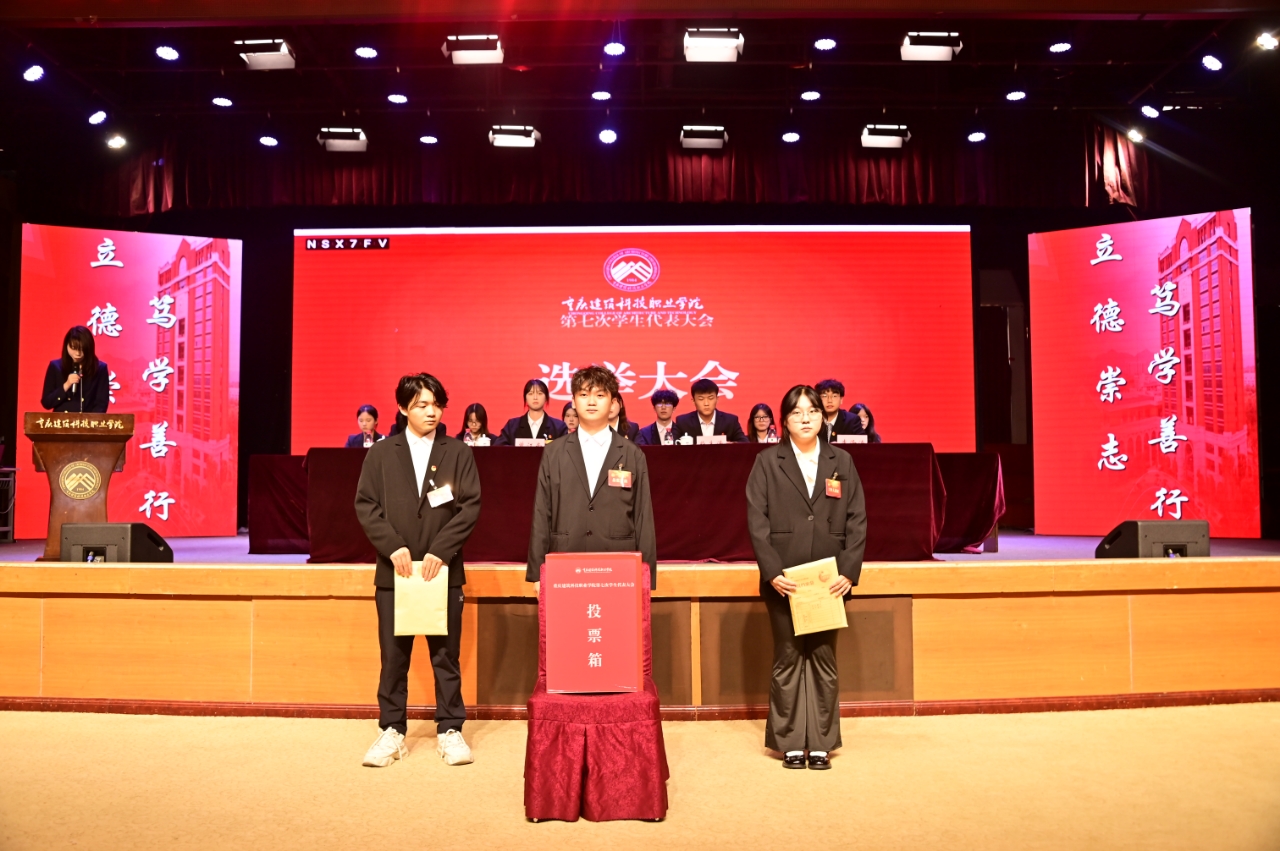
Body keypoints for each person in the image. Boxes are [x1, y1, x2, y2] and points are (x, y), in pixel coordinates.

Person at [354, 373, 482, 769]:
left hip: (443, 571)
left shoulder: (457, 452)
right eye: (422, 404)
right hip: (397, 572)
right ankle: (392, 730)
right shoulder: (381, 453)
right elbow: (366, 505)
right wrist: (393, 546)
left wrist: (441, 551)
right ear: (402, 407)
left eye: (437, 404)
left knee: (446, 656)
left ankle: (450, 729)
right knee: (394, 658)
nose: (431, 411)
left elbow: (470, 506)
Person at [745, 385, 867, 770]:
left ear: (822, 416)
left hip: (829, 580)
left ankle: (822, 742)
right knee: (788, 656)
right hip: (785, 579)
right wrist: (772, 572)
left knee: (823, 657)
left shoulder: (841, 461)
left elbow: (857, 519)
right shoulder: (768, 461)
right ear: (784, 421)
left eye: (812, 411)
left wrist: (848, 572)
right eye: (796, 413)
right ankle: (789, 741)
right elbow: (756, 520)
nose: (805, 419)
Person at [527, 365, 657, 591]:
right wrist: (537, 572)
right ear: (573, 401)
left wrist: (646, 578)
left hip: (619, 568)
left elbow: (643, 517)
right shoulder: (553, 452)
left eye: (600, 395)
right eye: (584, 394)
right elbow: (542, 512)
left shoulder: (632, 453)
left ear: (613, 403)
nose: (591, 402)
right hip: (565, 564)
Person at [42, 326, 109, 414]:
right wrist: (66, 385)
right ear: (66, 345)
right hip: (62, 421)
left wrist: (89, 420)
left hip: (87, 421)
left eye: (82, 349)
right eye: (73, 348)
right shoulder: (56, 366)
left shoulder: (100, 368)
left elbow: (101, 404)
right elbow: (47, 403)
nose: (78, 353)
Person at [495, 379, 568, 445]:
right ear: (525, 398)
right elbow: (499, 448)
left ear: (546, 398)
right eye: (530, 393)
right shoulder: (512, 426)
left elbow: (566, 450)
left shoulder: (559, 427)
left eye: (539, 393)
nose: (535, 397)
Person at [673, 378, 747, 443]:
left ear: (717, 399)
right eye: (701, 399)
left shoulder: (730, 421)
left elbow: (745, 443)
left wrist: (730, 445)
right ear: (693, 401)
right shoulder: (683, 422)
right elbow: (672, 446)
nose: (706, 403)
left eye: (710, 398)